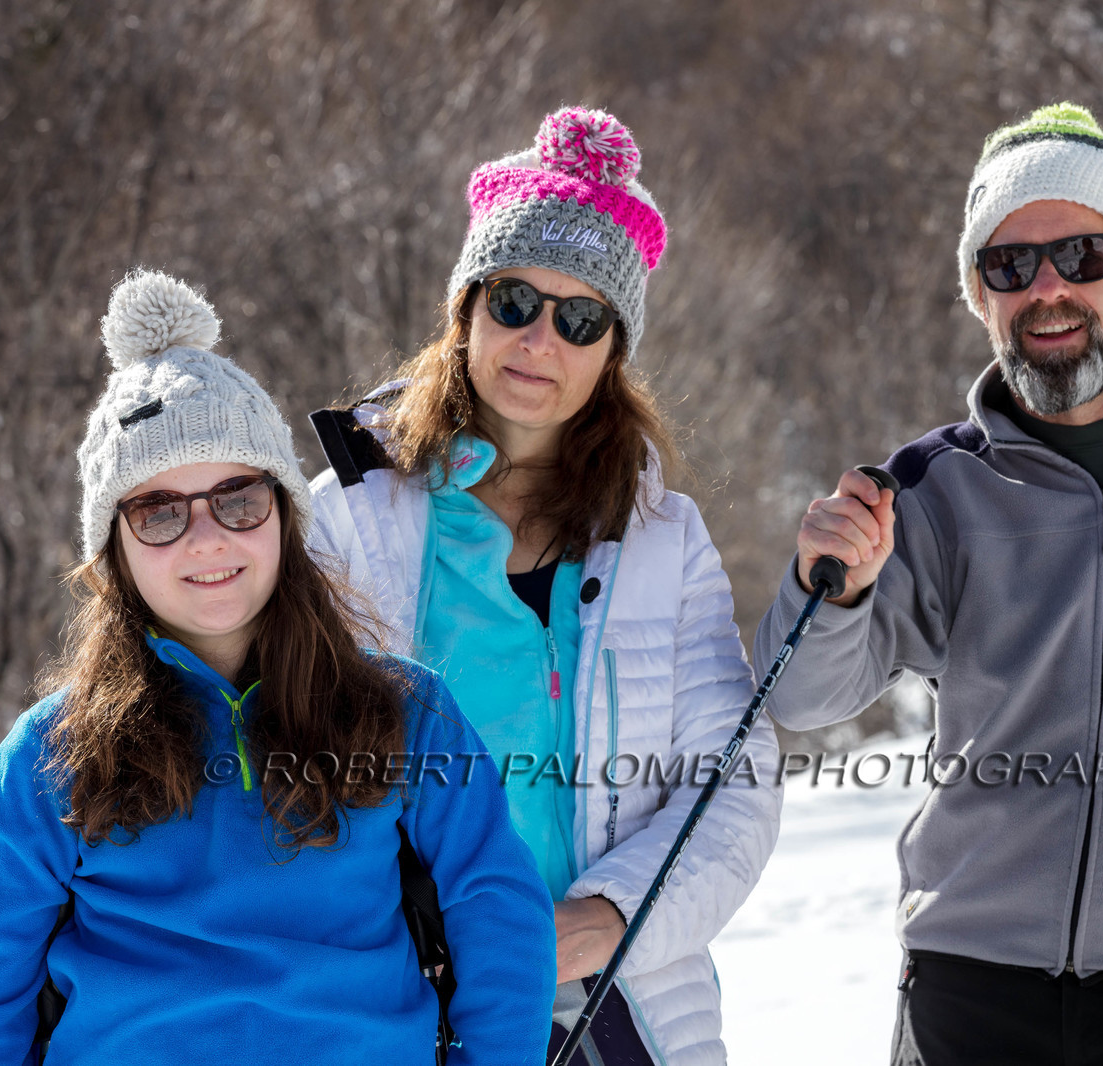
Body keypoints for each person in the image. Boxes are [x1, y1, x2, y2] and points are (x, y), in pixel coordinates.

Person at [753, 102, 1103, 1066]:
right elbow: (802, 694)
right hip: (971, 985)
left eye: (1081, 256)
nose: (1046, 289)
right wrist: (833, 591)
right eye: (1009, 265)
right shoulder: (930, 486)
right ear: (978, 296)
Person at [0, 271, 555, 1064]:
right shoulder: (50, 754)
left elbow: (499, 912)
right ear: (112, 551)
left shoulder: (405, 712)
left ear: (285, 516)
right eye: (158, 511)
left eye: (238, 497)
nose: (207, 538)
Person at [308, 107, 781, 1066]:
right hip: (399, 1009)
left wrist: (611, 914)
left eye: (580, 319)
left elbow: (734, 777)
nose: (540, 340)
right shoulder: (347, 520)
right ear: (466, 309)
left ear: (613, 351)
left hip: (618, 1011)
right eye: (514, 301)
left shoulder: (664, 543)